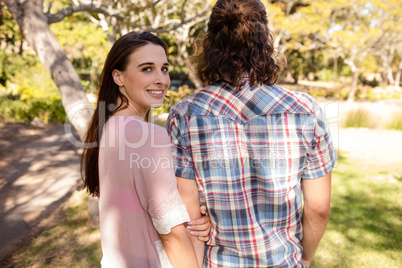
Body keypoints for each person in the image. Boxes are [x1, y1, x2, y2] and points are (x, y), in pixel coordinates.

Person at [166, 0, 337, 267]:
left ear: (211, 43)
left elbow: (189, 216)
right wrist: (305, 257)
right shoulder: (307, 111)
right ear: (266, 40)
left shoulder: (184, 115)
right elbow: (318, 209)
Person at [81, 31, 209, 268]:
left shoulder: (109, 127)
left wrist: (193, 218)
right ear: (118, 77)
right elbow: (170, 231)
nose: (161, 79)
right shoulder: (148, 136)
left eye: (164, 68)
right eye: (147, 69)